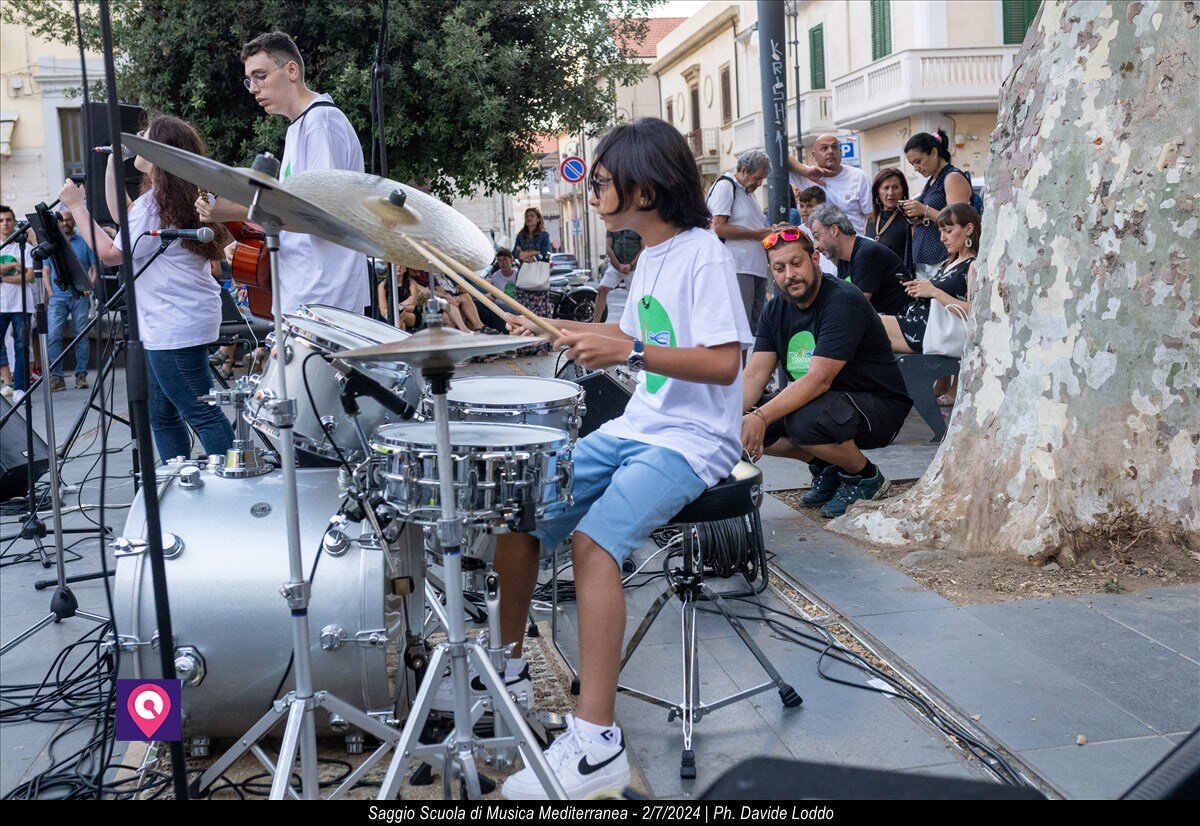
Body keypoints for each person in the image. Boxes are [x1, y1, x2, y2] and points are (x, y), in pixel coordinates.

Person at [492, 118, 750, 799]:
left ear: (647, 183)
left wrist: (627, 353)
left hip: (694, 441)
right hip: (642, 425)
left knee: (594, 543)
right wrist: (556, 328)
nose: (595, 188)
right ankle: (508, 670)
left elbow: (724, 364)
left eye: (603, 179)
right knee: (521, 510)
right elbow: (628, 332)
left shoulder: (704, 253)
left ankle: (595, 743)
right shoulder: (653, 254)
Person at [59, 115, 236, 462]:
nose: (136, 139)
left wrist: (76, 206)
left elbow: (112, 255)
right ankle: (178, 479)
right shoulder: (166, 198)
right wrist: (113, 163)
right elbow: (124, 216)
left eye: (145, 137)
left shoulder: (156, 204)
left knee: (199, 412)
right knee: (163, 414)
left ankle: (233, 482)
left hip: (173, 323)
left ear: (160, 153)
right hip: (177, 318)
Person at [741, 227, 912, 518]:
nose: (789, 275)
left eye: (797, 263)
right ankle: (830, 466)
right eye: (779, 268)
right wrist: (730, 419)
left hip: (878, 406)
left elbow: (819, 380)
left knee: (801, 422)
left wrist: (760, 416)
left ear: (815, 259)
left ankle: (866, 477)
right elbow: (756, 374)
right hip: (829, 404)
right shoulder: (775, 309)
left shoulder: (842, 300)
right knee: (745, 424)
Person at [196, 31, 368, 315]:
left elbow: (313, 214)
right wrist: (250, 238)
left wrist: (233, 210)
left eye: (260, 75)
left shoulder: (321, 123)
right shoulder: (299, 127)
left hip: (323, 295)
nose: (253, 88)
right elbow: (290, 214)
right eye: (249, 79)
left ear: (291, 70)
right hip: (304, 289)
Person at [882, 203, 977, 355]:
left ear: (969, 229)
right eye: (940, 232)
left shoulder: (973, 265)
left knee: (867, 323)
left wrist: (934, 292)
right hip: (921, 323)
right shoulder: (949, 262)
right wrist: (920, 289)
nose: (942, 238)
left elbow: (973, 311)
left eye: (948, 231)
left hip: (929, 329)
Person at [706, 149, 773, 330]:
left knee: (752, 327)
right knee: (738, 328)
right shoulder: (726, 186)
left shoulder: (747, 192)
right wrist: (755, 234)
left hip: (754, 267)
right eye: (757, 178)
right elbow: (718, 227)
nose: (759, 183)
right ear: (743, 170)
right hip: (737, 266)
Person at [808, 204, 909, 316]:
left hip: (902, 321)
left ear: (834, 230)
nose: (816, 246)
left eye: (817, 237)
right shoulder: (843, 259)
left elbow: (855, 306)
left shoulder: (866, 253)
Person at [901, 130, 973, 278]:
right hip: (924, 259)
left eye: (918, 161)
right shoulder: (931, 181)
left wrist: (924, 210)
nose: (916, 168)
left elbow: (958, 220)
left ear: (933, 153)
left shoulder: (952, 177)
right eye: (912, 163)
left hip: (943, 258)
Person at [43, 208, 97, 391]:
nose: (64, 223)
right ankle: (57, 378)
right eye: (62, 220)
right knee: (53, 336)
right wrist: (50, 294)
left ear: (74, 221)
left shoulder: (84, 243)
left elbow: (96, 269)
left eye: (68, 220)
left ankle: (81, 375)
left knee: (81, 335)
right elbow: (46, 271)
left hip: (80, 296)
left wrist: (90, 288)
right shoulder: (52, 244)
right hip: (57, 298)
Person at [788, 134, 873, 234]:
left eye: (834, 147)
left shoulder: (859, 176)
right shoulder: (805, 176)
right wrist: (806, 171)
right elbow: (776, 155)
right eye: (824, 148)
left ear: (840, 152)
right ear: (814, 155)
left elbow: (870, 216)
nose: (830, 151)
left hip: (855, 244)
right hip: (820, 246)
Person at [0, 205, 34, 399]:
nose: (5, 224)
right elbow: (22, 273)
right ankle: (7, 382)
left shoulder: (26, 248)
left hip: (22, 304)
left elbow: (29, 277)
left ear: (14, 222)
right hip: (1, 305)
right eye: (1, 220)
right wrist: (14, 265)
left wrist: (3, 276)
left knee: (22, 346)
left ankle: (20, 387)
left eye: (8, 220)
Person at [594, 228, 641, 323]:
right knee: (602, 289)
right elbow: (608, 247)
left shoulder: (636, 226)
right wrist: (618, 266)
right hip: (615, 266)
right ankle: (596, 323)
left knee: (637, 296)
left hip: (633, 267)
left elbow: (643, 248)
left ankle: (637, 323)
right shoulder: (612, 227)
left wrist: (631, 265)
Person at [865, 168, 910, 262]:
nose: (890, 193)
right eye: (886, 188)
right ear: (878, 192)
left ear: (903, 190)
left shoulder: (910, 219)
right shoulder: (869, 220)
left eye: (895, 187)